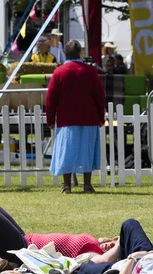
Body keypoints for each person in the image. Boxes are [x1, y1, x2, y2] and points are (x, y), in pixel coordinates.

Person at [0, 204, 118, 266]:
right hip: (27, 240)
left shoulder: (95, 254)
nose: (110, 245)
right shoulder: (97, 244)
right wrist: (110, 241)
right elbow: (101, 242)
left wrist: (116, 246)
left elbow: (104, 260)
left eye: (114, 247)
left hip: (26, 253)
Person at [46, 40, 106, 194]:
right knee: (87, 151)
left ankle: (67, 186)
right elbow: (99, 96)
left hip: (67, 119)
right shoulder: (90, 71)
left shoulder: (59, 72)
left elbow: (51, 98)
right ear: (80, 52)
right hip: (89, 117)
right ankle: (87, 185)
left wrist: (50, 119)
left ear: (65, 53)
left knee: (66, 152)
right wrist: (101, 116)